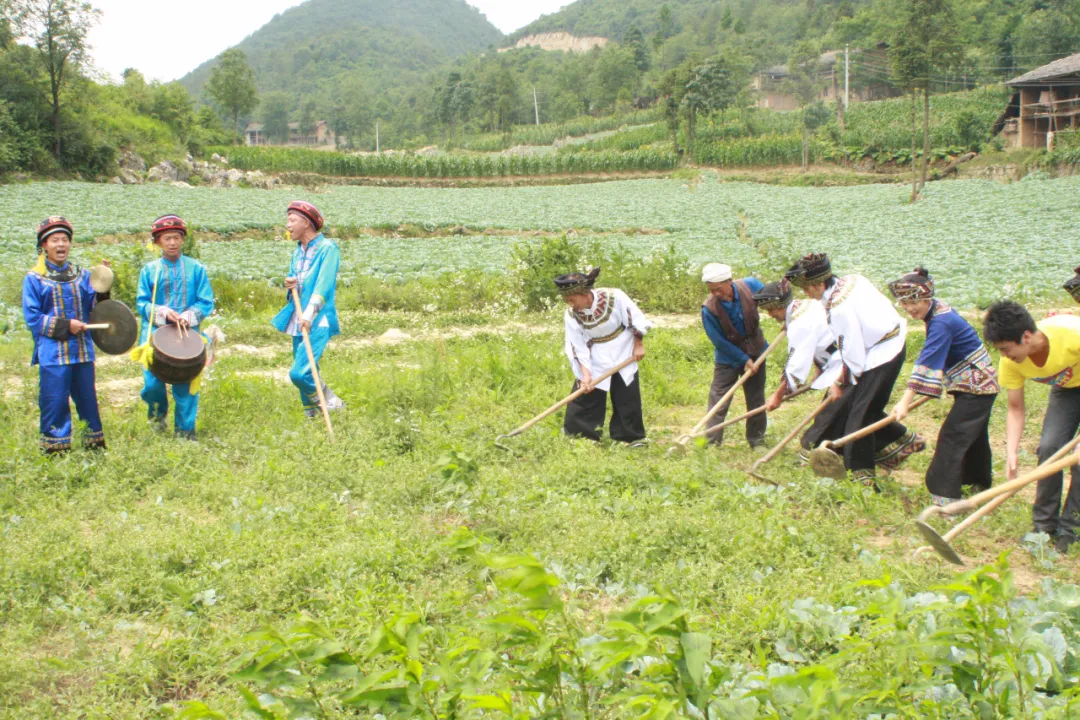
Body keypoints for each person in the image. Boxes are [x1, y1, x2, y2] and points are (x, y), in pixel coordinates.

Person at [786, 253, 923, 487]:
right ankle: (903, 441)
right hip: (886, 344)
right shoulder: (851, 280)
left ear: (820, 284)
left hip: (883, 354)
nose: (806, 294)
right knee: (859, 408)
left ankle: (863, 478)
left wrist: (841, 382)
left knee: (859, 417)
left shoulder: (838, 306)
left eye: (807, 288)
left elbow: (852, 351)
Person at [889, 268, 999, 508]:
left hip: (976, 386)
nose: (910, 308)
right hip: (975, 382)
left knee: (953, 437)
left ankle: (945, 498)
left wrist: (904, 401)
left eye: (914, 302)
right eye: (905, 303)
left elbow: (927, 361)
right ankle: (977, 483)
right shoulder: (937, 310)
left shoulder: (941, 321)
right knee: (974, 436)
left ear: (928, 298)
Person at [984, 300, 1080, 552]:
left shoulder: (1073, 335)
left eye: (1006, 348)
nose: (1004, 356)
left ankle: (1071, 530)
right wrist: (1012, 452)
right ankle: (1044, 528)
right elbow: (1015, 409)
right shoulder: (1011, 363)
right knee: (1049, 448)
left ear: (1026, 336)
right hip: (1067, 391)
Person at [22, 217, 108, 454]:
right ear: (44, 246)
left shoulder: (82, 275)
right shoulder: (34, 278)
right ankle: (56, 452)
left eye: (64, 240)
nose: (61, 245)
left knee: (88, 400)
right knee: (55, 401)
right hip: (53, 353)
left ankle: (95, 448)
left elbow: (96, 308)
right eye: (54, 240)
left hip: (81, 351)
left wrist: (103, 283)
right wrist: (65, 325)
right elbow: (33, 318)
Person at [137, 215, 215, 440]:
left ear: (183, 240)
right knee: (152, 384)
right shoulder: (149, 270)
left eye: (176, 238)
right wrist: (162, 311)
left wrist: (189, 316)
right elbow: (142, 303)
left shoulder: (196, 268)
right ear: (158, 242)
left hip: (188, 335)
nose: (172, 242)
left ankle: (185, 431)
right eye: (166, 238)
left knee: (186, 385)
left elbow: (206, 301)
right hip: (154, 336)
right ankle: (156, 419)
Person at [752, 279, 845, 458]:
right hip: (835, 359)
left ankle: (810, 452)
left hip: (843, 363)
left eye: (772, 310)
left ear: (781, 306)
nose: (771, 315)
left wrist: (778, 395)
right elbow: (818, 338)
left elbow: (796, 364)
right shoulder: (805, 306)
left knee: (829, 413)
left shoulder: (799, 324)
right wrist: (819, 369)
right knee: (845, 409)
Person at [558, 267, 651, 444]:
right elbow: (576, 345)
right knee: (586, 391)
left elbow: (634, 318)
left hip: (623, 347)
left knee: (626, 393)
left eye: (572, 299)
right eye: (566, 300)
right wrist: (585, 375)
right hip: (595, 353)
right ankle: (582, 435)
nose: (570, 304)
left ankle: (629, 437)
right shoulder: (571, 314)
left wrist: (638, 344)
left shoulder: (615, 297)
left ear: (584, 293)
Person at [271, 201, 345, 418]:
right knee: (310, 369)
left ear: (306, 222)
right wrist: (291, 283)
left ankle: (333, 404)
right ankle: (311, 419)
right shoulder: (298, 252)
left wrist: (310, 314)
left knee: (299, 373)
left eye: (292, 220)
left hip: (317, 319)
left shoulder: (328, 249)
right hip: (298, 317)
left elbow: (324, 285)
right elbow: (296, 278)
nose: (288, 225)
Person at [700, 263, 767, 448]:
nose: (715, 294)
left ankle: (757, 440)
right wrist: (743, 360)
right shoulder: (709, 309)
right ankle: (712, 442)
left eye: (718, 289)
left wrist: (786, 316)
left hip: (757, 351)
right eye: (711, 290)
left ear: (729, 281)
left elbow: (773, 299)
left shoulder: (751, 286)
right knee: (719, 400)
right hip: (727, 358)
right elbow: (718, 341)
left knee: (756, 398)